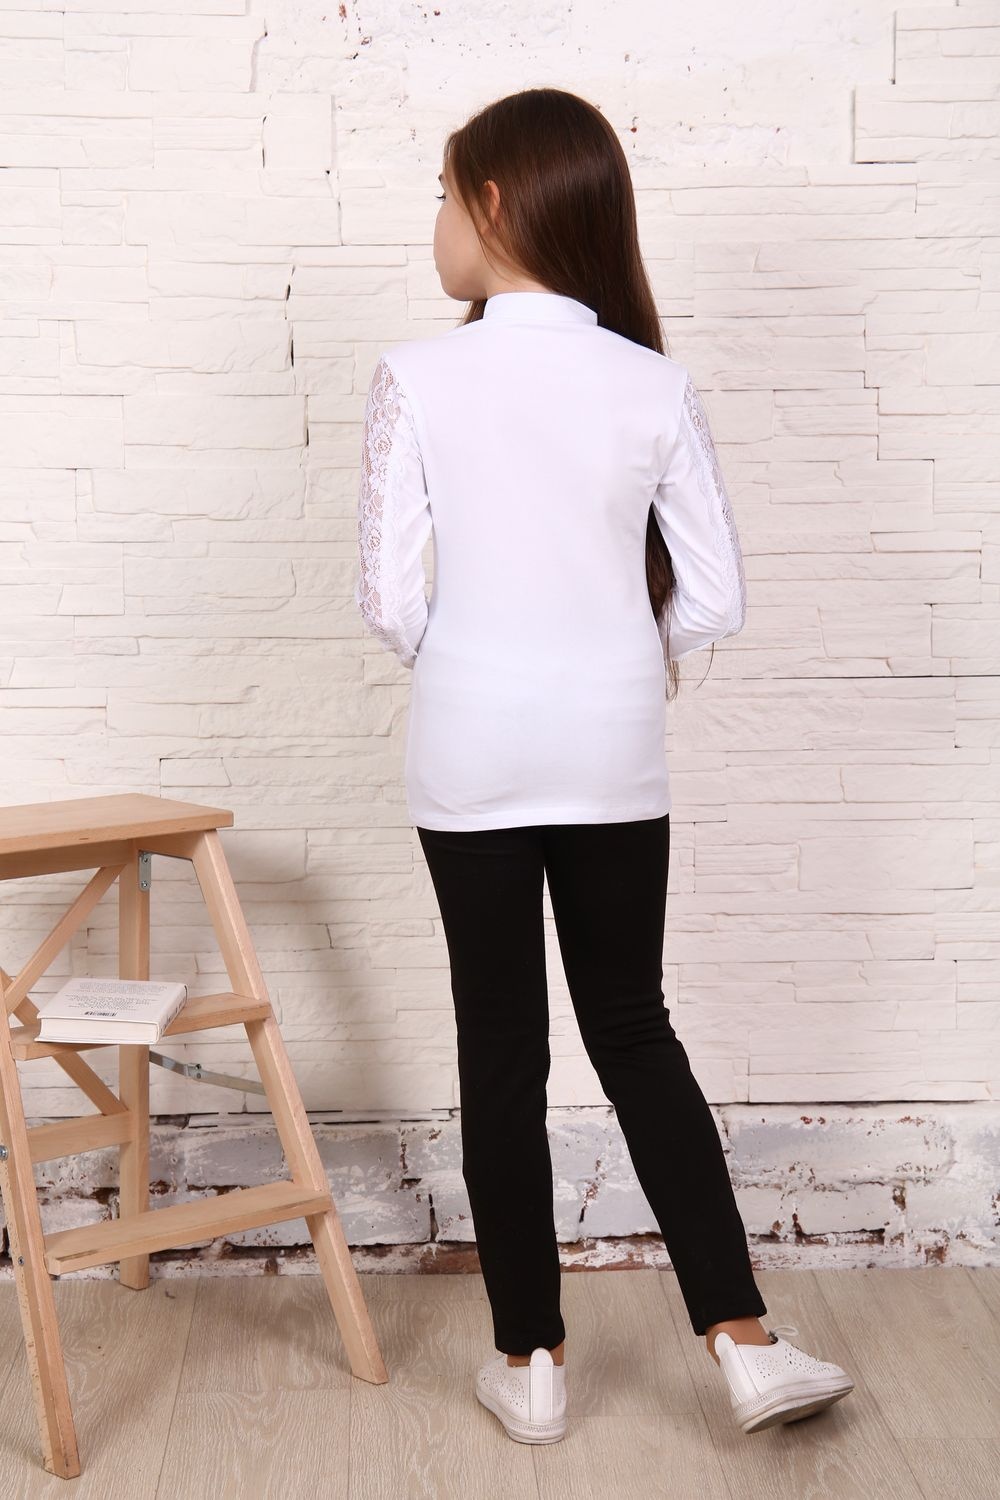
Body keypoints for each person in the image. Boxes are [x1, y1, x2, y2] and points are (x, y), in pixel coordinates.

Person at [354, 86, 854, 1446]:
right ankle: (744, 1343)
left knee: (500, 1045)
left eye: (444, 194)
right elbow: (715, 597)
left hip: (469, 749)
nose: (436, 221)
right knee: (633, 1028)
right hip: (615, 748)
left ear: (494, 202)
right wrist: (615, 659)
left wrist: (484, 666)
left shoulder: (417, 376)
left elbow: (391, 602)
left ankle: (530, 1364)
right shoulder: (651, 382)